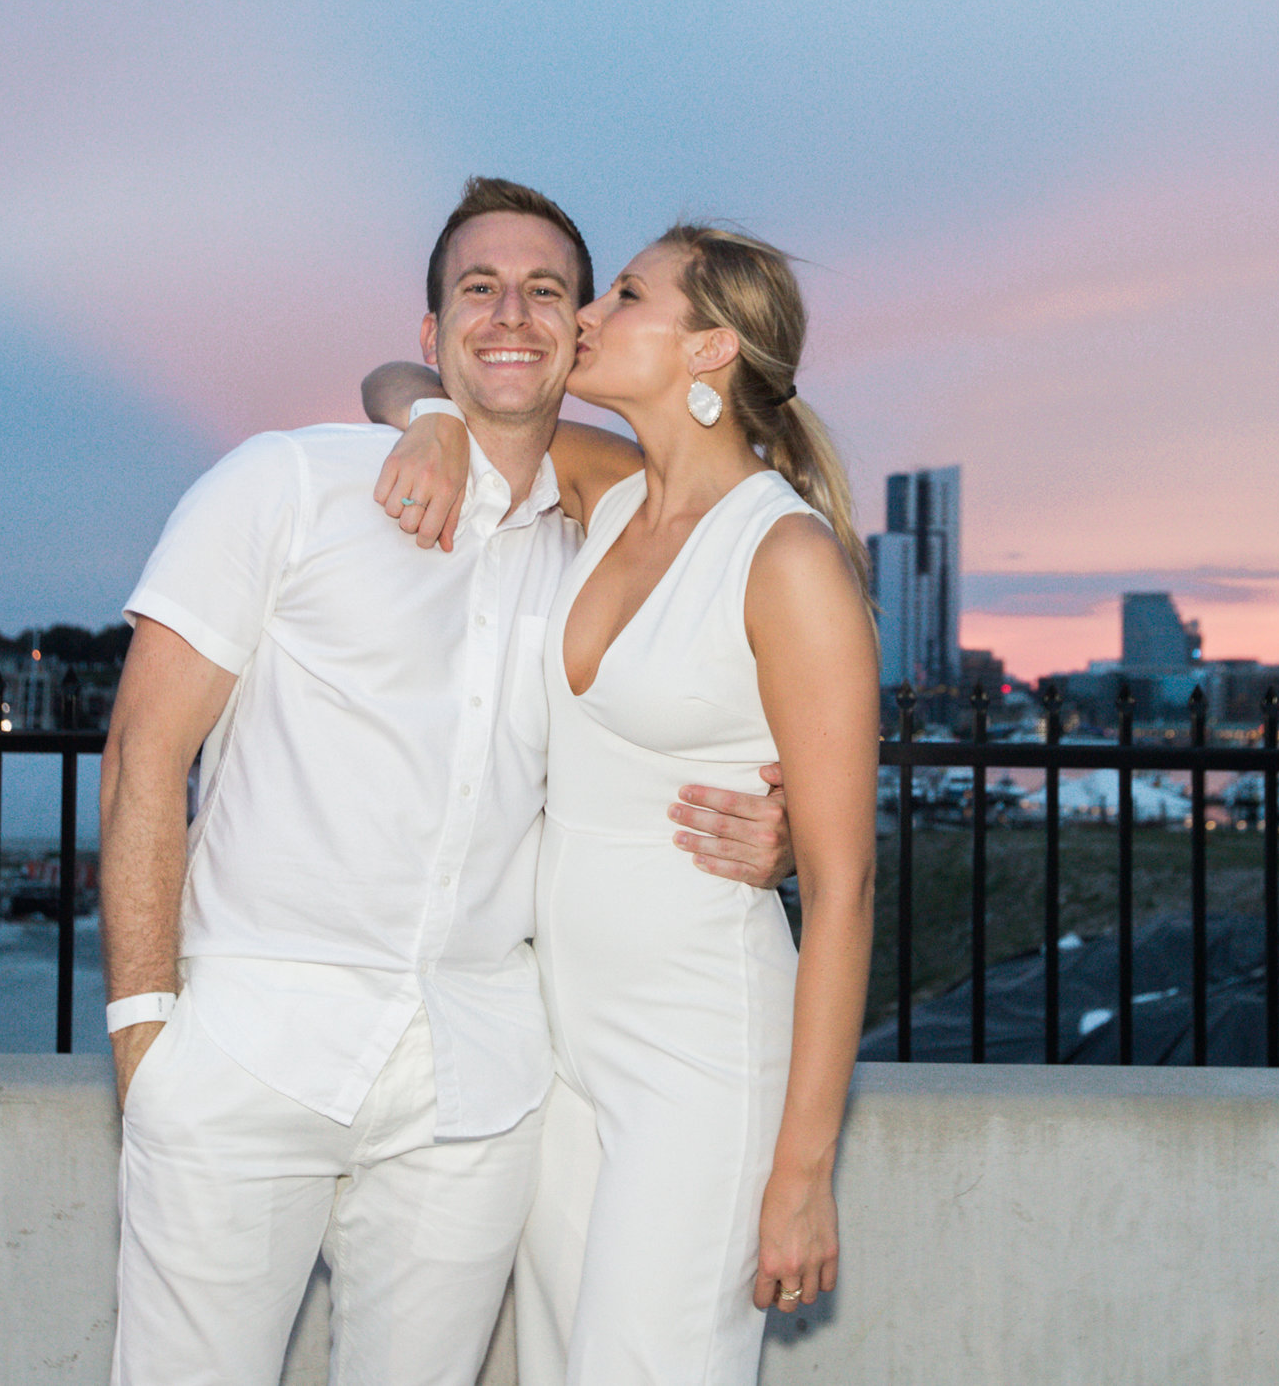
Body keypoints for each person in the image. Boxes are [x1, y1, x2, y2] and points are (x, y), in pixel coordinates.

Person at [98, 179, 796, 1386]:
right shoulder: (291, 484)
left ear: (582, 327)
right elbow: (142, 754)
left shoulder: (605, 533)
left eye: (543, 290)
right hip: (250, 1052)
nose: (509, 312)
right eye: (477, 289)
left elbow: (700, 685)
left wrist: (773, 820)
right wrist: (145, 1037)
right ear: (432, 335)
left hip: (474, 1091)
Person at [363, 222, 880, 1386]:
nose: (586, 316)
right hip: (562, 1041)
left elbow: (844, 886)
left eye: (628, 296)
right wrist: (436, 421)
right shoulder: (604, 495)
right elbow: (395, 376)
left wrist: (801, 1168)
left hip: (696, 1049)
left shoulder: (783, 555)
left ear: (710, 349)